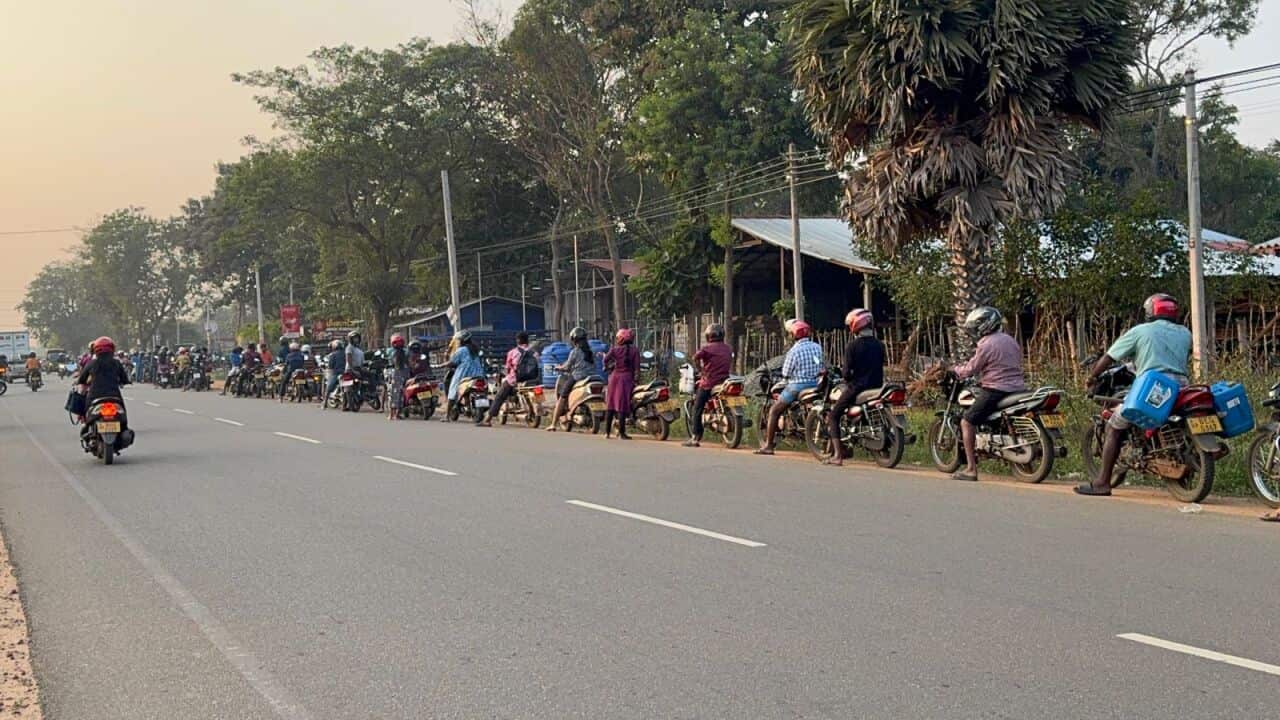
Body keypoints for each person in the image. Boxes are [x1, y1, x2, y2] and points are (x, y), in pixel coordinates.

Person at [1077, 293, 1190, 496]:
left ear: (1150, 312)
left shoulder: (1140, 331)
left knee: (1114, 425)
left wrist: (1092, 376)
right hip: (1182, 386)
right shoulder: (1185, 333)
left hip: (1153, 388)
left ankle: (1103, 482)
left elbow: (1110, 356)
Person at [949, 306, 1027, 482]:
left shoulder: (985, 344)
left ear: (985, 325)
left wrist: (955, 370)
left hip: (996, 390)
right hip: (1018, 388)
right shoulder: (1010, 340)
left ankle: (970, 469)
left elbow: (971, 368)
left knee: (967, 422)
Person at [824, 309, 885, 466]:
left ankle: (838, 455)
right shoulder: (879, 345)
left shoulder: (853, 346)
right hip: (877, 386)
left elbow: (846, 373)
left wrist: (847, 377)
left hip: (858, 387)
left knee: (833, 416)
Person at [756, 319, 823, 455]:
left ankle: (768, 446)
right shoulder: (817, 347)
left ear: (794, 335)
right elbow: (819, 363)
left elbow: (786, 373)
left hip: (798, 386)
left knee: (774, 411)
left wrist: (786, 375)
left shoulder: (794, 351)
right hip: (817, 384)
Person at [683, 324, 734, 447]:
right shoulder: (728, 348)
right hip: (725, 380)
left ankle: (695, 437)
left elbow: (695, 357)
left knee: (697, 408)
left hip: (709, 382)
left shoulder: (707, 348)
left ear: (709, 336)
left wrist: (700, 369)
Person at [75, 337, 132, 435]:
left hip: (94, 396)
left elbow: (81, 380)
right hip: (114, 396)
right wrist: (125, 381)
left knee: (86, 414)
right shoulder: (116, 363)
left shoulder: (91, 363)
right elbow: (124, 379)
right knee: (123, 417)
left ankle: (88, 428)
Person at [548, 327, 595, 431]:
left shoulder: (575, 351)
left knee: (562, 397)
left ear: (574, 340)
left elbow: (567, 367)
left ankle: (553, 424)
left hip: (578, 377)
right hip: (592, 377)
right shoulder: (591, 351)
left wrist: (558, 367)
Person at [483, 332, 532, 427]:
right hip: (534, 380)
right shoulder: (534, 352)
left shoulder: (513, 352)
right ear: (527, 340)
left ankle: (488, 419)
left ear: (518, 340)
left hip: (515, 380)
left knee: (499, 396)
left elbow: (508, 369)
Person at [602, 328, 640, 439]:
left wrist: (611, 366)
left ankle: (607, 432)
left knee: (611, 404)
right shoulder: (635, 350)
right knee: (622, 406)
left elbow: (605, 360)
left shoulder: (614, 350)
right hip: (627, 379)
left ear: (620, 339)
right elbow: (637, 368)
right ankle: (621, 433)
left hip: (614, 378)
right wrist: (637, 380)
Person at [446, 330, 486, 424]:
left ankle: (447, 416)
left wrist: (444, 364)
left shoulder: (461, 350)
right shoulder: (475, 348)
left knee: (453, 391)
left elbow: (452, 362)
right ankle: (470, 408)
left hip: (464, 374)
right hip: (478, 374)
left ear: (462, 340)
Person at [386, 334, 410, 420]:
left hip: (397, 374)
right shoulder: (404, 352)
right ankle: (395, 414)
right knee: (399, 395)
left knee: (395, 394)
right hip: (402, 373)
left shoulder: (392, 352)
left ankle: (392, 414)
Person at [322, 340, 345, 407]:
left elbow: (330, 366)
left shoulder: (333, 355)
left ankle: (325, 403)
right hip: (346, 373)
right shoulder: (345, 353)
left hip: (336, 373)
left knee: (329, 388)